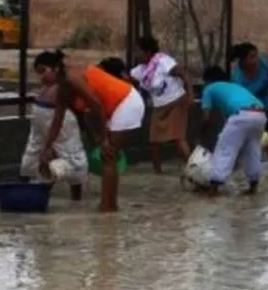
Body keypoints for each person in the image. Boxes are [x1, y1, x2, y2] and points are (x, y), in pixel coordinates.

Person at [33, 50, 146, 212]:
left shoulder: (73, 78)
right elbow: (56, 122)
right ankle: (108, 205)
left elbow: (96, 104)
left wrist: (103, 138)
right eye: (38, 74)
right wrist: (46, 148)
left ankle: (109, 206)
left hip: (126, 102)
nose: (41, 78)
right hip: (112, 108)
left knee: (108, 155)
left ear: (56, 68)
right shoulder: (64, 89)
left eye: (43, 71)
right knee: (108, 155)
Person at [199, 65, 267, 196]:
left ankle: (213, 189)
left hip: (241, 115)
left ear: (207, 79)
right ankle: (253, 186)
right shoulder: (233, 86)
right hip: (260, 113)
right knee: (252, 150)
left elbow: (206, 118)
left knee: (225, 149)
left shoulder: (209, 88)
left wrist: (201, 135)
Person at [128, 36, 192, 173]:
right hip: (159, 106)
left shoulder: (164, 61)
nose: (136, 55)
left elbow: (184, 75)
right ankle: (157, 171)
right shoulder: (139, 70)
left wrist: (190, 96)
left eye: (138, 51)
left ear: (148, 52)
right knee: (154, 141)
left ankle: (194, 169)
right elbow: (128, 82)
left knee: (178, 138)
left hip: (176, 101)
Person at [19, 83, 88, 200]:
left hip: (39, 110)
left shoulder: (56, 83)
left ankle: (23, 190)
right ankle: (76, 197)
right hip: (54, 112)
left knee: (35, 149)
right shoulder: (76, 83)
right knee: (73, 157)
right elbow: (60, 119)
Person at [231, 42, 268, 168]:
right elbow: (238, 100)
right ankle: (239, 165)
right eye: (252, 57)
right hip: (249, 110)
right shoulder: (237, 77)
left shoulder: (263, 63)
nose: (255, 60)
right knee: (246, 140)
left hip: (266, 105)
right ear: (243, 60)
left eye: (256, 56)